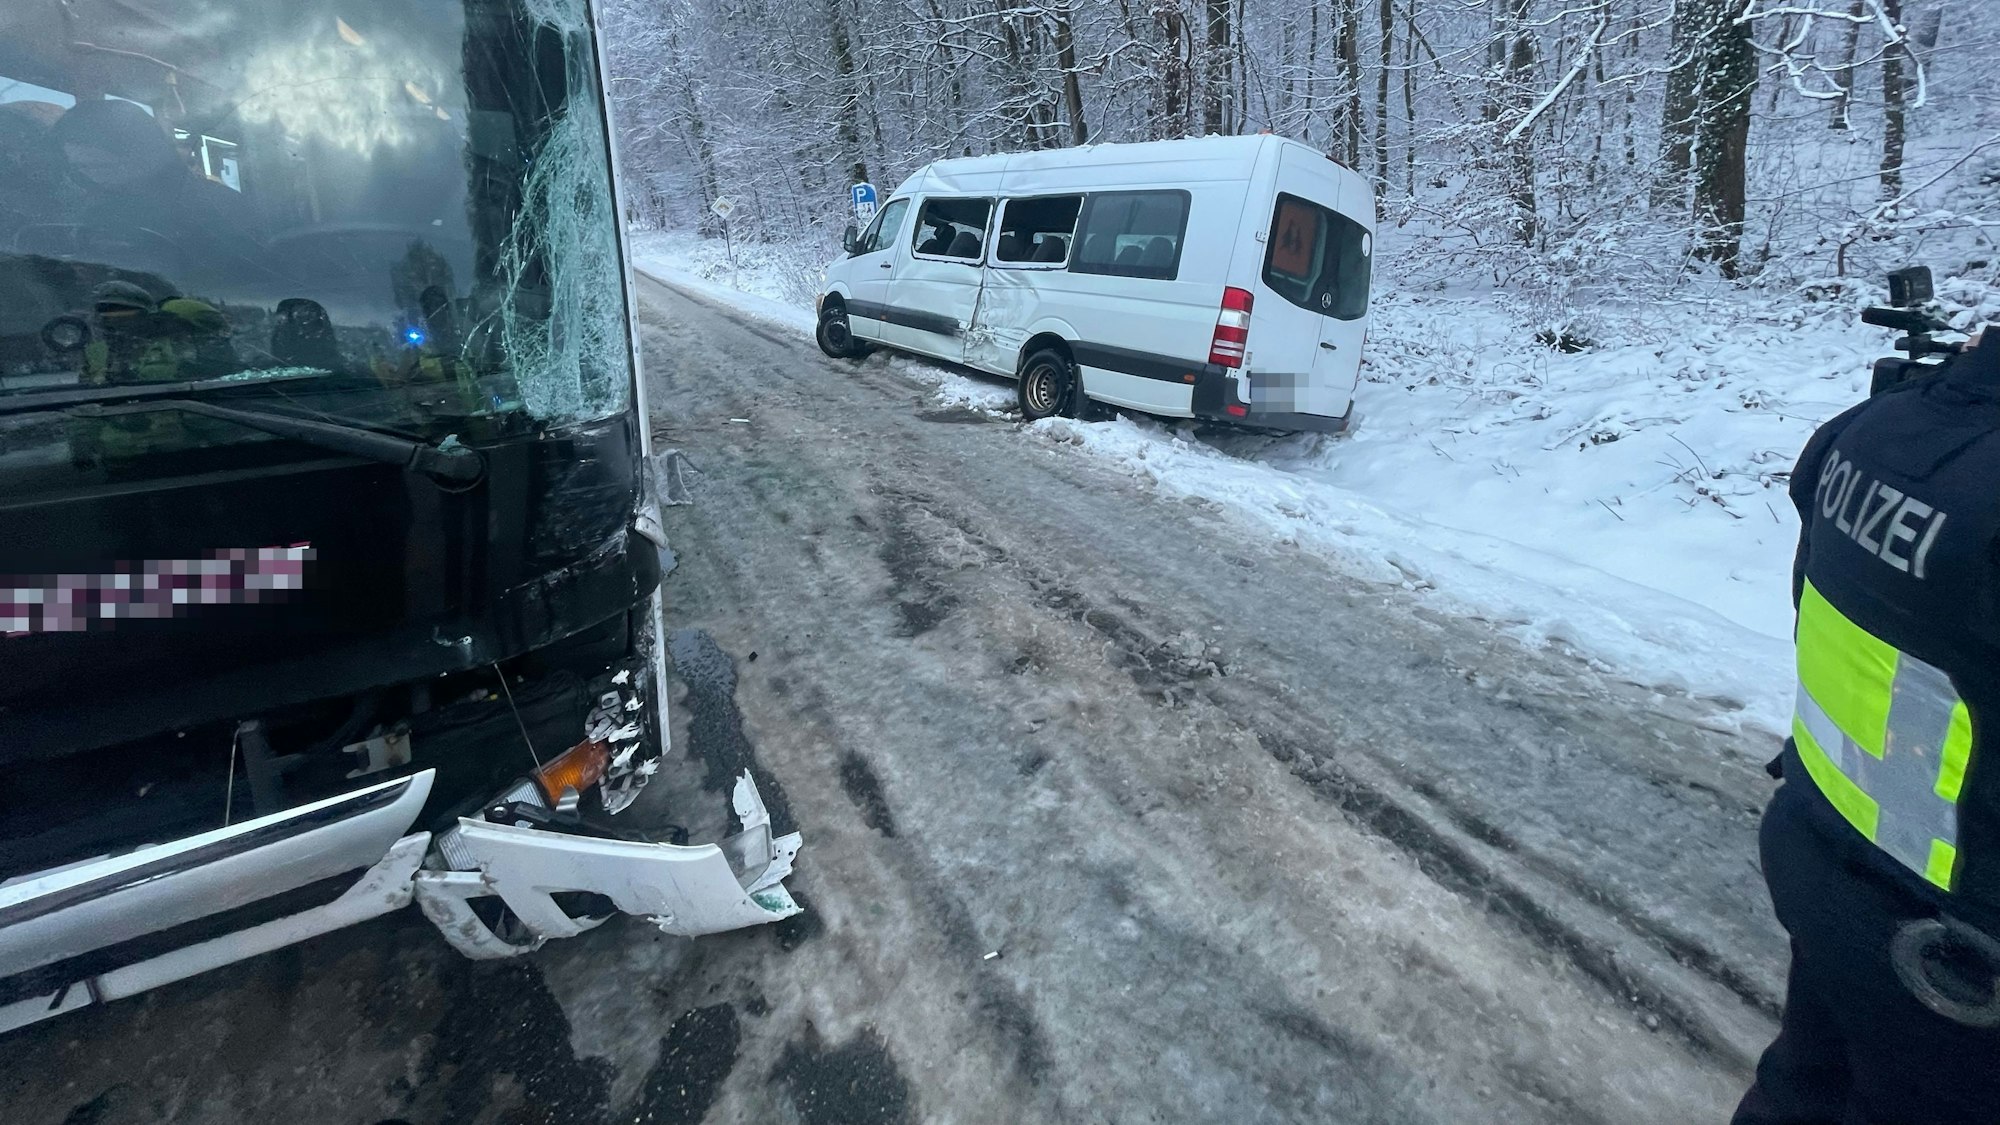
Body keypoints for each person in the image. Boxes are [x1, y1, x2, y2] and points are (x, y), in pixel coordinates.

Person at [1735, 325, 2000, 1123]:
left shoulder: (1872, 427)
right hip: (1952, 961)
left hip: (1825, 854)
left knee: (1799, 1089)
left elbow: (1811, 601)